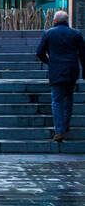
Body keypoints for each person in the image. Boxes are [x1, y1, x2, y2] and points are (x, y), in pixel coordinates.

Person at [35, 10, 85, 143]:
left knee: (57, 100)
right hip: (72, 70)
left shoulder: (49, 33)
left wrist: (49, 61)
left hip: (56, 70)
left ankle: (59, 130)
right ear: (67, 21)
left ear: (55, 21)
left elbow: (39, 52)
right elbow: (83, 55)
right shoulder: (76, 33)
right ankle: (66, 124)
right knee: (68, 98)